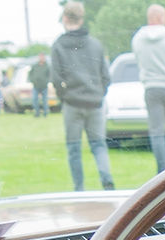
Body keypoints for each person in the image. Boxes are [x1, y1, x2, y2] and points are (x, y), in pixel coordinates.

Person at [50, 1, 115, 191]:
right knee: (99, 145)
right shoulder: (95, 44)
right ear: (82, 18)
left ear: (65, 18)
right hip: (95, 103)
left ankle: (79, 188)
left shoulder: (59, 45)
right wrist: (99, 93)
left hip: (72, 103)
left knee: (74, 149)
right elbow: (106, 76)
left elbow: (55, 78)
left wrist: (65, 96)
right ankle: (107, 181)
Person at [133, 4, 165, 173]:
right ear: (161, 17)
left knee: (156, 131)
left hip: (152, 88)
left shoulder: (138, 38)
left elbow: (138, 61)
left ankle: (162, 171)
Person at [29, 53, 50, 117]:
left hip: (44, 86)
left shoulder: (47, 66)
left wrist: (46, 81)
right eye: (40, 57)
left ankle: (45, 113)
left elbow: (50, 75)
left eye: (43, 57)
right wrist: (32, 80)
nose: (41, 58)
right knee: (35, 100)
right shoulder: (35, 66)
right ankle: (37, 113)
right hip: (36, 86)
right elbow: (30, 74)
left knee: (45, 100)